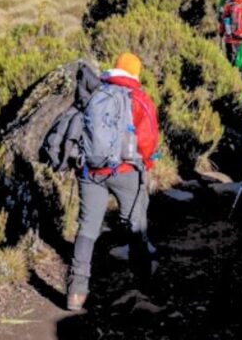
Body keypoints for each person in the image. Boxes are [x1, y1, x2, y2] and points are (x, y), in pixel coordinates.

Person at [67, 53, 159, 312]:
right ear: (136, 73)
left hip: (91, 170)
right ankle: (142, 286)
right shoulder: (139, 98)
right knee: (136, 226)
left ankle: (76, 292)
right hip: (126, 171)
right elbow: (148, 139)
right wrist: (145, 167)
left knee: (87, 228)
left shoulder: (95, 93)